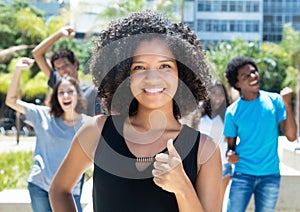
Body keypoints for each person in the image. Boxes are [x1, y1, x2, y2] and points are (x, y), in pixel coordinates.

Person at [49, 10, 222, 212]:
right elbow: (59, 190)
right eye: (139, 67)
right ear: (124, 76)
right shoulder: (97, 132)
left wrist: (182, 188)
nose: (152, 78)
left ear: (182, 74)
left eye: (165, 65)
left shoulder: (205, 151)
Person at [5, 57, 91, 212]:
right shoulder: (43, 115)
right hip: (40, 187)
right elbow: (11, 101)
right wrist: (18, 71)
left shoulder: (88, 125)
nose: (65, 96)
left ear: (78, 95)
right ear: (56, 97)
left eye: (70, 92)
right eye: (61, 92)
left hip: (70, 190)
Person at [223, 56, 297, 211]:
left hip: (270, 175)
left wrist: (287, 104)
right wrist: (230, 155)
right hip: (242, 174)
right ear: (237, 84)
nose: (253, 76)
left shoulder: (275, 100)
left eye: (253, 72)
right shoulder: (232, 112)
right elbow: (230, 148)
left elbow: (291, 137)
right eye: (246, 75)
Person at [32, 26, 103, 116]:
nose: (63, 71)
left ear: (75, 64)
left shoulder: (91, 91)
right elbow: (37, 54)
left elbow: (98, 120)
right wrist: (60, 33)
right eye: (58, 68)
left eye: (65, 65)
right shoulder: (57, 83)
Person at [193, 80, 232, 210]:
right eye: (213, 93)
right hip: (199, 166)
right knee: (199, 204)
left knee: (217, 206)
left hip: (223, 165)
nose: (217, 97)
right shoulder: (199, 114)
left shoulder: (228, 115)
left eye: (221, 94)